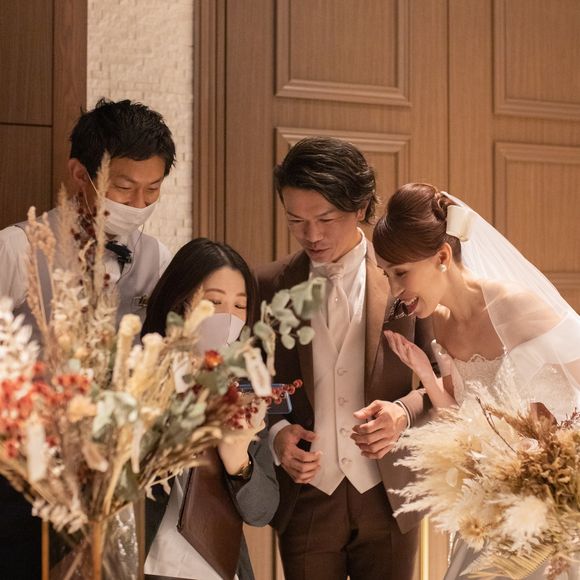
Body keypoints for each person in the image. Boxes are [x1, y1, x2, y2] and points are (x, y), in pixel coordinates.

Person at [0, 98, 176, 580]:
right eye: (123, 187)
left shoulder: (157, 260)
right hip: (21, 481)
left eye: (152, 190)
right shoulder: (15, 250)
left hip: (113, 478)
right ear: (80, 173)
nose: (138, 205)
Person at [373, 182, 580, 579]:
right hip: (492, 510)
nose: (395, 290)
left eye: (401, 273)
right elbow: (462, 420)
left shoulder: (516, 307)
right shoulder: (442, 324)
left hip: (553, 507)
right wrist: (425, 373)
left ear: (442, 256)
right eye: (387, 274)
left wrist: (561, 465)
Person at [255, 137, 434, 580]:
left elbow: (446, 379)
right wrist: (276, 434)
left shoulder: (407, 277)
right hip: (306, 498)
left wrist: (402, 413)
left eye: (325, 219)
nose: (312, 235)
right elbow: (246, 382)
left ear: (361, 207)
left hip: (389, 496)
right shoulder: (266, 285)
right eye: (296, 221)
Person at [142, 238, 279, 580]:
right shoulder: (140, 376)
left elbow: (262, 511)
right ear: (181, 303)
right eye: (215, 302)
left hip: (219, 569)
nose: (228, 317)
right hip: (151, 564)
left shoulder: (246, 390)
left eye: (240, 305)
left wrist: (238, 459)